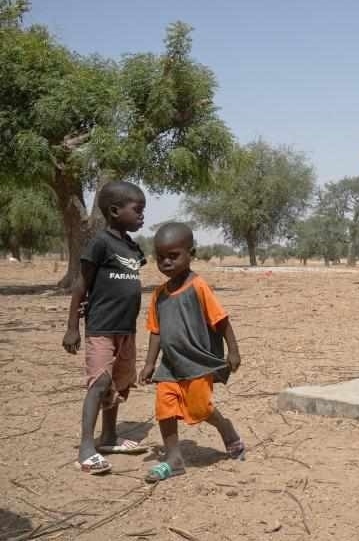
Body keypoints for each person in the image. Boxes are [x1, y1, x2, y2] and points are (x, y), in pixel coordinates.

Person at [140, 222, 244, 482]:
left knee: (200, 409)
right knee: (164, 408)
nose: (166, 262)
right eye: (160, 257)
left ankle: (225, 427)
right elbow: (156, 331)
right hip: (170, 365)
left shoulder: (198, 286)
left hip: (197, 362)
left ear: (191, 254)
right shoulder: (159, 295)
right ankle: (173, 459)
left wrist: (233, 350)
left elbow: (221, 320)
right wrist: (150, 363)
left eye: (173, 256)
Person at [62, 181, 150, 475]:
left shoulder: (132, 247)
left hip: (127, 328)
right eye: (137, 210)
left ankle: (109, 437)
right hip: (101, 327)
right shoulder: (100, 243)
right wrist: (72, 326)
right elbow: (81, 284)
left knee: (119, 383)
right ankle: (86, 448)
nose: (142, 216)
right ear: (114, 211)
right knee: (99, 383)